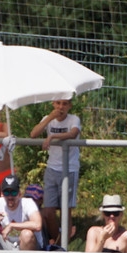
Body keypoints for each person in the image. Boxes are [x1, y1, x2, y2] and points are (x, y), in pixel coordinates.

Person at [30, 99, 81, 243]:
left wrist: (52, 137)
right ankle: (55, 240)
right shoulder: (48, 119)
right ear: (53, 104)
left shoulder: (74, 119)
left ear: (70, 106)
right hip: (51, 168)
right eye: (58, 103)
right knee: (48, 211)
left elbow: (73, 134)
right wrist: (50, 118)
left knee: (66, 209)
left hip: (69, 169)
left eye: (64, 104)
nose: (61, 107)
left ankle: (65, 243)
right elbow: (33, 134)